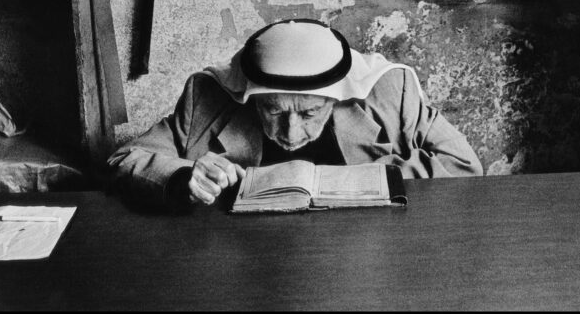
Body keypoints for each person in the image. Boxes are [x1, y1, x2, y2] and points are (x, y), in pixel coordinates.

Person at [108, 18, 482, 208]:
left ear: (337, 99)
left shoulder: (389, 91)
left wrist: (381, 179)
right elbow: (123, 159)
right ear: (251, 98)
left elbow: (463, 165)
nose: (290, 132)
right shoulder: (208, 96)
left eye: (309, 113)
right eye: (273, 110)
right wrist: (183, 177)